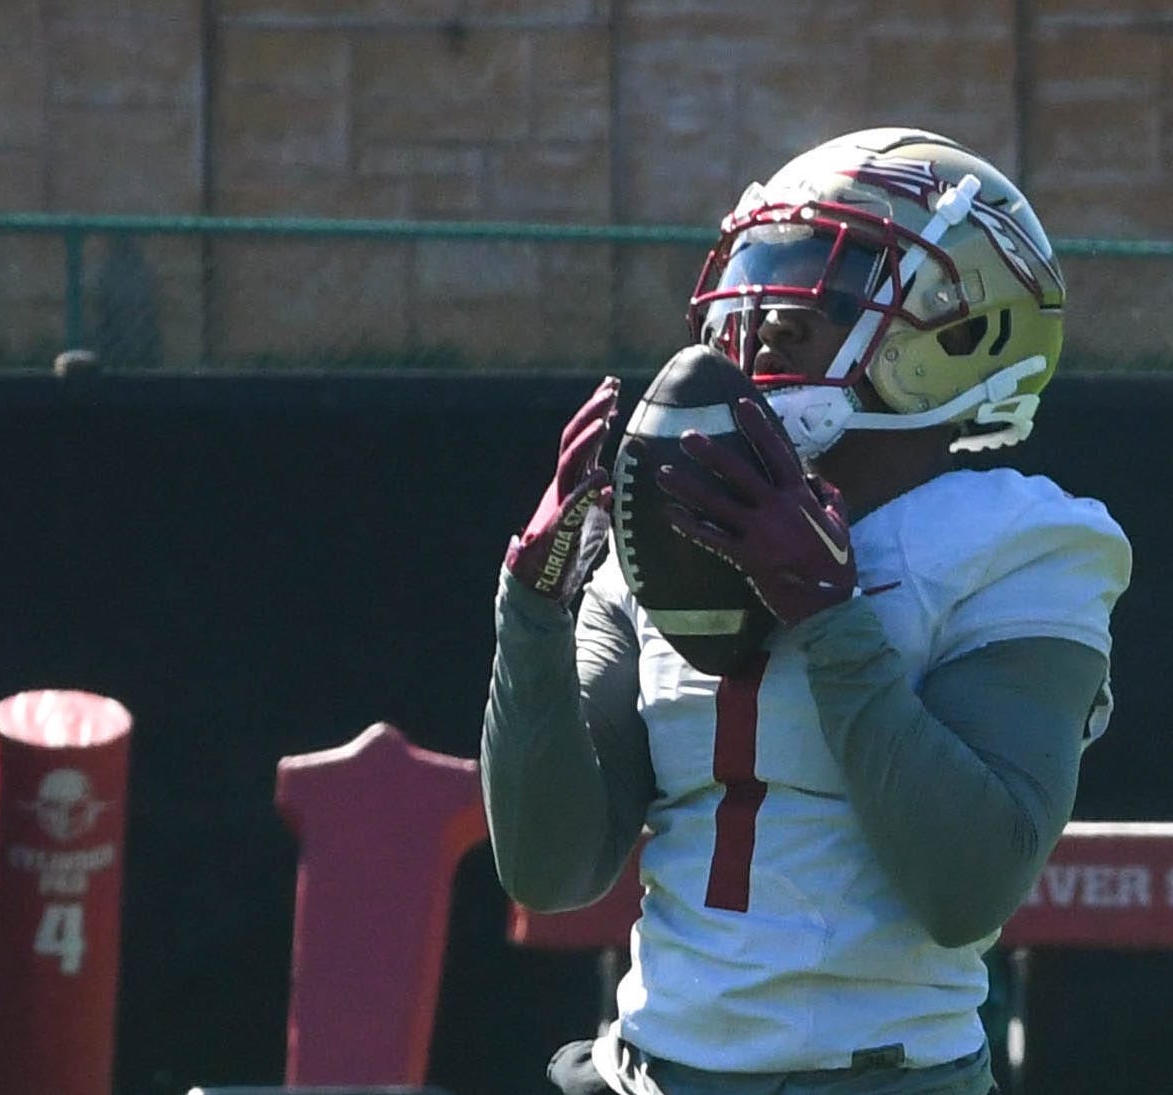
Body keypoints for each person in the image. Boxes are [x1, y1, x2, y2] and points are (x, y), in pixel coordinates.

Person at [482, 127, 1132, 1095]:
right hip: (649, 1072)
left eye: (829, 282)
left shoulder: (1020, 541)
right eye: (762, 271)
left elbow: (966, 885)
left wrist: (830, 614)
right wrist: (530, 618)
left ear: (965, 324)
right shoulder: (666, 518)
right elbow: (550, 867)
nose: (770, 312)